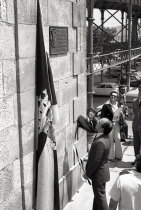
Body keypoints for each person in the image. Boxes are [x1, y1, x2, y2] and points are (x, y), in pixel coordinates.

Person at [86, 118, 113, 210]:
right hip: (102, 173)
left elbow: (95, 161)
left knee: (101, 199)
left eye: (99, 122)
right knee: (97, 198)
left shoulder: (100, 142)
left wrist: (87, 173)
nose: (96, 122)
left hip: (99, 174)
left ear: (102, 128)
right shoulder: (106, 137)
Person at [101, 90, 123, 161]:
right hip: (109, 124)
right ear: (110, 97)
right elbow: (102, 116)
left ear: (117, 98)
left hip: (117, 124)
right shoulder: (106, 105)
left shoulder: (119, 105)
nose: (113, 97)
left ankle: (119, 156)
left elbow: (122, 115)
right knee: (110, 140)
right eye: (112, 95)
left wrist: (122, 114)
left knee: (118, 138)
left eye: (115, 96)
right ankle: (110, 157)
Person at [132, 84, 141, 162]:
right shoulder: (135, 101)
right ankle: (137, 159)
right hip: (135, 126)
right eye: (140, 91)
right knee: (136, 144)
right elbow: (133, 113)